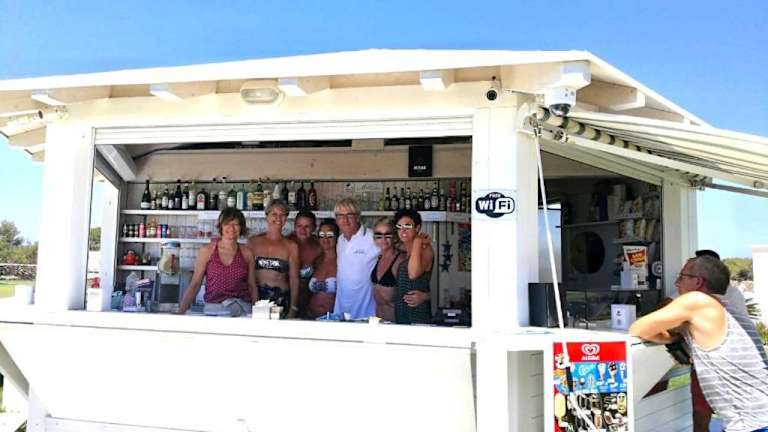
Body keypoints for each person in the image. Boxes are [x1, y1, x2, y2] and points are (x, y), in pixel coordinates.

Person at [630, 255, 768, 432]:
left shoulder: (697, 301)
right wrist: (678, 336)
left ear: (698, 282)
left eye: (681, 277)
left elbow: (639, 328)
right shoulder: (723, 307)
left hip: (753, 424)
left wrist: (673, 338)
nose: (676, 283)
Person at [177, 208, 256, 316]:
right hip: (214, 310)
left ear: (241, 227)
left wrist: (258, 313)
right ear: (221, 226)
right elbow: (195, 283)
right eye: (227, 224)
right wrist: (180, 312)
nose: (231, 228)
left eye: (236, 224)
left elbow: (252, 286)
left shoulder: (247, 253)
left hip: (242, 310)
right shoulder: (207, 250)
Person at [248, 199, 300, 318]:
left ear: (286, 218)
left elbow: (294, 279)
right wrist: (253, 302)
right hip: (256, 298)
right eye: (274, 214)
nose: (278, 218)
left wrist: (293, 308)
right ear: (267, 216)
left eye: (282, 215)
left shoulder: (291, 246)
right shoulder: (253, 243)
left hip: (280, 300)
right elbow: (247, 275)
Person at [333, 198, 379, 319]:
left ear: (358, 217)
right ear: (336, 220)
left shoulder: (372, 238)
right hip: (342, 311)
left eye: (350, 215)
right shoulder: (340, 240)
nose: (345, 220)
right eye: (340, 216)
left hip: (366, 313)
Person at [393, 209, 434, 325]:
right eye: (399, 227)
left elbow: (413, 274)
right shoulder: (402, 249)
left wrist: (417, 241)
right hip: (401, 314)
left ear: (417, 228)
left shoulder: (425, 249)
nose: (403, 230)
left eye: (407, 226)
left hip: (417, 315)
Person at [290, 210, 323, 318]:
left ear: (314, 228)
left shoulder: (318, 248)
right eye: (299, 226)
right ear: (294, 227)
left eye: (307, 226)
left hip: (309, 302)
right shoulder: (286, 244)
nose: (302, 230)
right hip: (286, 301)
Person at [370, 217, 402, 321]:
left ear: (395, 237)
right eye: (379, 235)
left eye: (388, 235)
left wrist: (425, 296)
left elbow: (415, 292)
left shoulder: (400, 260)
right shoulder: (377, 258)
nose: (383, 239)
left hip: (396, 323)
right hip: (379, 323)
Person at [306, 219, 339, 318]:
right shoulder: (317, 261)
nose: (325, 239)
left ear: (337, 237)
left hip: (333, 319)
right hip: (311, 316)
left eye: (329, 235)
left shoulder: (342, 262)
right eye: (321, 235)